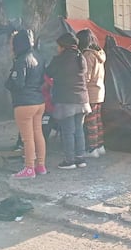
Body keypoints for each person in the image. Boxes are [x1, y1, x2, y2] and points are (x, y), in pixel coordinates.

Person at [46, 33, 91, 170]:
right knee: (79, 130)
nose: (57, 49)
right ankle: (80, 159)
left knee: (68, 131)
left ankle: (69, 161)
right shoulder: (80, 57)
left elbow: (49, 72)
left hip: (66, 100)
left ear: (63, 46)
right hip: (82, 100)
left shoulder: (60, 59)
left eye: (58, 46)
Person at [6, 29, 47, 179]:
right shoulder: (38, 56)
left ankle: (29, 168)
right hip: (39, 101)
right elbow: (43, 78)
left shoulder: (21, 60)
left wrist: (9, 82)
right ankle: (41, 166)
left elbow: (18, 83)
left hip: (24, 103)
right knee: (38, 134)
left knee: (27, 138)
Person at [78, 29, 107, 158]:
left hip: (90, 92)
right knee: (97, 120)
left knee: (90, 122)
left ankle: (92, 149)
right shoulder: (99, 53)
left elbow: (86, 76)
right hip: (99, 91)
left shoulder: (88, 55)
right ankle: (100, 146)